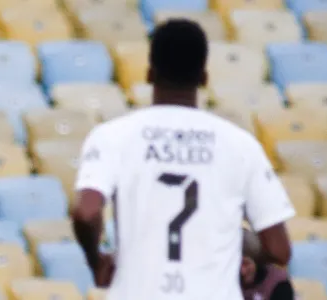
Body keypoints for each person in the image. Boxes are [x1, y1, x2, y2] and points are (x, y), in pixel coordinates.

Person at [71, 19, 295, 300]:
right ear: (204, 78)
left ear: (149, 74)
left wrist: (96, 261)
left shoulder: (112, 136)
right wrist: (239, 259)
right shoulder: (240, 145)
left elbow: (86, 212)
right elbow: (279, 250)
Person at [241, 229, 295, 300]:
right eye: (238, 265)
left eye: (246, 264)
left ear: (257, 261)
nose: (242, 271)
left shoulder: (278, 285)